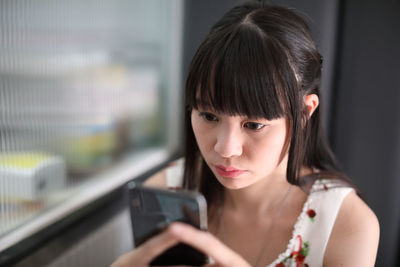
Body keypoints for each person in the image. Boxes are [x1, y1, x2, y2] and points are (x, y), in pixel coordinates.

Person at [112, 1, 379, 266]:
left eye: (254, 125)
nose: (226, 149)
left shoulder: (345, 225)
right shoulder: (165, 194)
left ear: (304, 114)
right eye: (208, 116)